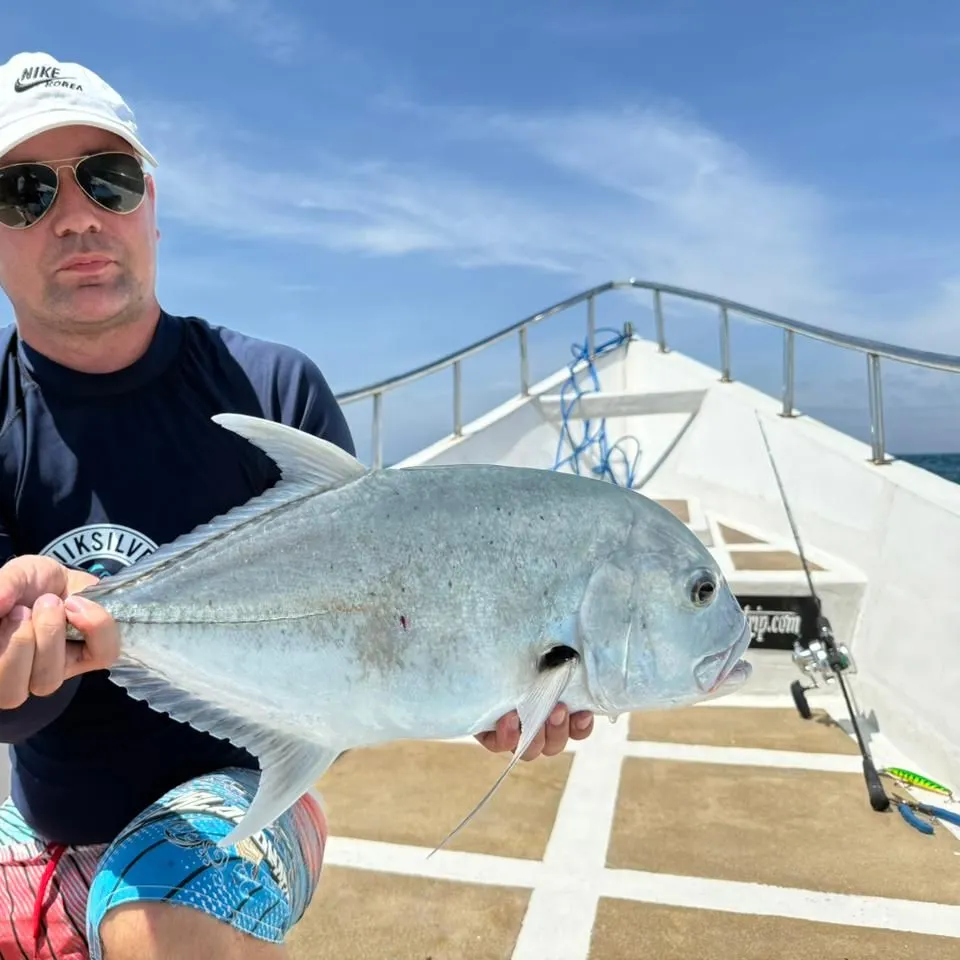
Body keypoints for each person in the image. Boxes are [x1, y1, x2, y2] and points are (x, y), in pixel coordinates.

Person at [0, 51, 596, 960]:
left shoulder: (271, 388)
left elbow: (367, 633)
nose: (76, 215)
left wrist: (484, 679)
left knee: (157, 921)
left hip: (246, 792)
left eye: (108, 180)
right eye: (25, 192)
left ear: (151, 207)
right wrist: (23, 661)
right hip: (38, 826)